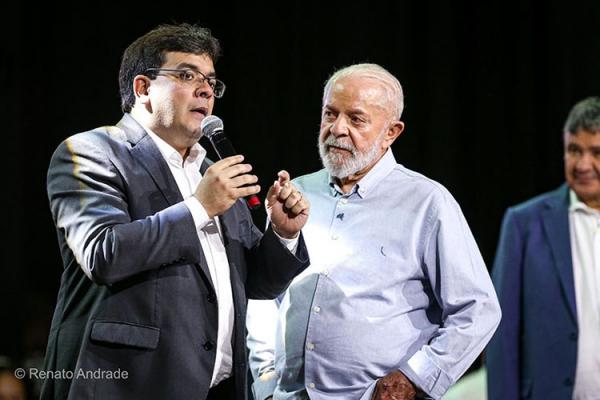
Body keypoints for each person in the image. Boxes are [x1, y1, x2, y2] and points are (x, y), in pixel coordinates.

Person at [42, 23, 310, 400]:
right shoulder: (92, 152)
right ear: (143, 88)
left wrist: (282, 233)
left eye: (211, 81)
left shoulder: (207, 172)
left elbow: (258, 283)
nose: (205, 89)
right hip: (128, 386)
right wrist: (200, 207)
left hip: (219, 389)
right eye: (186, 75)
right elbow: (103, 253)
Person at [245, 63, 501, 400]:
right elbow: (264, 296)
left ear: (392, 132)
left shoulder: (426, 202)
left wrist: (414, 379)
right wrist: (265, 379)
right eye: (330, 114)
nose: (337, 129)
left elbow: (478, 309)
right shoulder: (296, 193)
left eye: (356, 119)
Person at [486, 97, 600, 400]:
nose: (583, 164)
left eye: (596, 152)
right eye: (574, 150)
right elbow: (502, 333)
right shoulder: (524, 224)